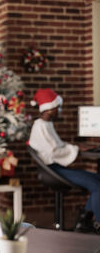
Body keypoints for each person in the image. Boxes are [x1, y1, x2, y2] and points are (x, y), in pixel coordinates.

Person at [29, 88, 100, 234]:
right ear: (49, 109)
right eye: (58, 107)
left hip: (56, 168)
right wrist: (76, 150)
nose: (60, 110)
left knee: (97, 179)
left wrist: (76, 147)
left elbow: (57, 145)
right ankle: (95, 222)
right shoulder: (40, 126)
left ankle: (84, 223)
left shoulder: (45, 124)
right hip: (54, 170)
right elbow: (54, 152)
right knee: (96, 185)